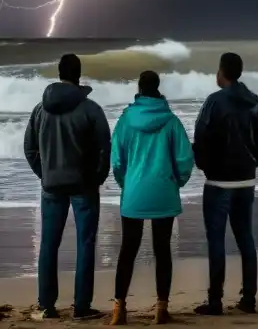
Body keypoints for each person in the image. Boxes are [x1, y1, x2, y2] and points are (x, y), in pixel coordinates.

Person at [23, 53, 111, 321]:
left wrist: (45, 174)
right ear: (79, 74)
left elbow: (29, 148)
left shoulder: (40, 109)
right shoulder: (91, 109)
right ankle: (81, 307)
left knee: (49, 244)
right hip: (84, 186)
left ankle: (46, 306)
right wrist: (97, 178)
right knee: (85, 244)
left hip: (51, 186)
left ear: (59, 74)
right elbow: (104, 149)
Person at [109, 70, 194, 326]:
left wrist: (127, 184)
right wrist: (176, 182)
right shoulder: (170, 121)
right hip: (163, 191)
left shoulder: (125, 119)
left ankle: (119, 309)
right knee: (162, 250)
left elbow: (117, 160)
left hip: (134, 192)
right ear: (158, 89)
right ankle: (161, 309)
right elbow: (184, 159)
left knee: (128, 250)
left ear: (139, 89)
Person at [191, 52, 258, 315]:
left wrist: (205, 166)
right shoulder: (255, 102)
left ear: (222, 71)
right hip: (246, 179)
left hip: (219, 181)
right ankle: (249, 298)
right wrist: (253, 160)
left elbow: (201, 137)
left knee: (216, 240)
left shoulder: (214, 102)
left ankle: (215, 300)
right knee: (245, 236)